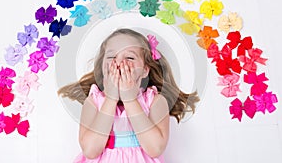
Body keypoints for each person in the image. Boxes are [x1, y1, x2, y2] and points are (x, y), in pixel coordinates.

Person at [58, 28, 199, 163]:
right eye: (112, 56)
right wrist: (110, 99)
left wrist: (130, 99)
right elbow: (90, 151)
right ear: (102, 67)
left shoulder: (154, 101)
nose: (119, 62)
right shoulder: (94, 101)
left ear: (145, 70)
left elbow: (155, 148)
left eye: (130, 57)